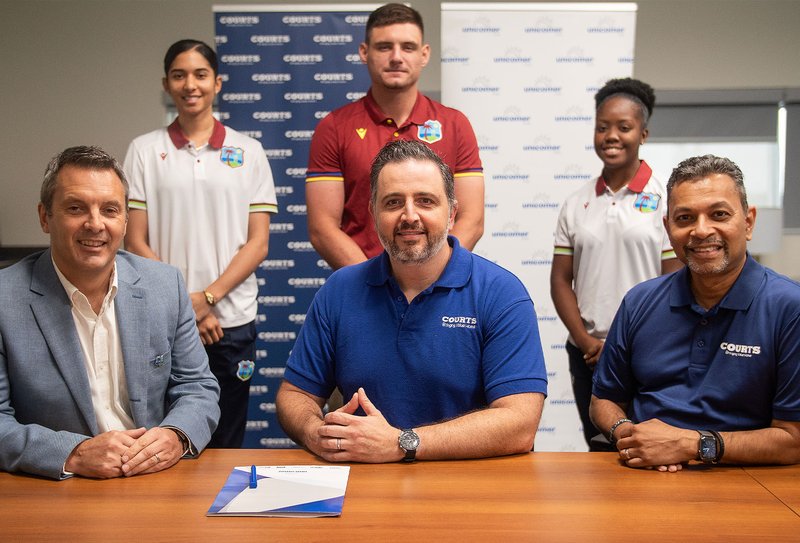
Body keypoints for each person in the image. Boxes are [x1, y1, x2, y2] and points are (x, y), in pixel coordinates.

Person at [276, 139, 547, 463]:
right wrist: (314, 434)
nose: (409, 216)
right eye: (392, 202)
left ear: (452, 212)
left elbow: (519, 423)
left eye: (425, 201)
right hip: (367, 485)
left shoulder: (501, 294)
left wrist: (402, 443)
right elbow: (295, 395)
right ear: (372, 212)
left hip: (472, 491)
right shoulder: (340, 290)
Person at [0, 146, 220, 480]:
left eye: (110, 210)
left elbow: (198, 387)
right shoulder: (5, 298)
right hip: (55, 487)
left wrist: (175, 435)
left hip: (152, 479)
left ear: (125, 220)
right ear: (45, 217)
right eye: (76, 208)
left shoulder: (165, 284)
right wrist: (72, 454)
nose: (95, 224)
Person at [591, 154, 800, 471]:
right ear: (667, 226)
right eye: (685, 218)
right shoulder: (639, 301)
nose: (701, 231)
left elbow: (792, 439)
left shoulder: (789, 308)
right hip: (644, 473)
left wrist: (692, 445)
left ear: (748, 222)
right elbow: (603, 401)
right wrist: (631, 436)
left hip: (744, 480)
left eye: (719, 214)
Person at [124, 39, 277, 448]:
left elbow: (257, 243)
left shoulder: (249, 152)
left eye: (200, 74)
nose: (190, 84)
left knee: (226, 435)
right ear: (166, 83)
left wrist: (207, 298)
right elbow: (134, 239)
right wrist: (185, 306)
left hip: (231, 321)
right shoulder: (142, 151)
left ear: (218, 83)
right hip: (163, 320)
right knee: (163, 435)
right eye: (179, 75)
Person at [550, 78, 682, 448]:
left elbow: (673, 284)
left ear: (643, 133)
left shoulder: (664, 199)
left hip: (649, 351)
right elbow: (561, 280)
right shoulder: (576, 202)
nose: (611, 136)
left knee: (648, 448)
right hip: (587, 354)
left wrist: (622, 345)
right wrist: (585, 340)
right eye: (602, 127)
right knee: (601, 450)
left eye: (624, 127)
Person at [305, 3, 484, 270]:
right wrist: (375, 283)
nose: (397, 57)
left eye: (408, 47)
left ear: (424, 54)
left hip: (439, 288)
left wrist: (431, 275)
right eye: (384, 46)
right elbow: (323, 228)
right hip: (363, 289)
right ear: (365, 52)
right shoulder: (333, 127)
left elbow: (471, 218)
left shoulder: (455, 124)